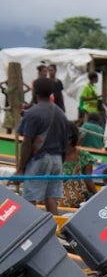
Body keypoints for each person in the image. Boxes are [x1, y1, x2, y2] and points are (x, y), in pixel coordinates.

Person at [17, 77, 69, 214]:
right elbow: (65, 142)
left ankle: (29, 227)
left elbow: (27, 144)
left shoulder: (33, 113)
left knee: (30, 198)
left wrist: (20, 169)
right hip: (57, 159)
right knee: (50, 198)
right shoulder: (61, 114)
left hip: (40, 159)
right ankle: (55, 227)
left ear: (35, 92)